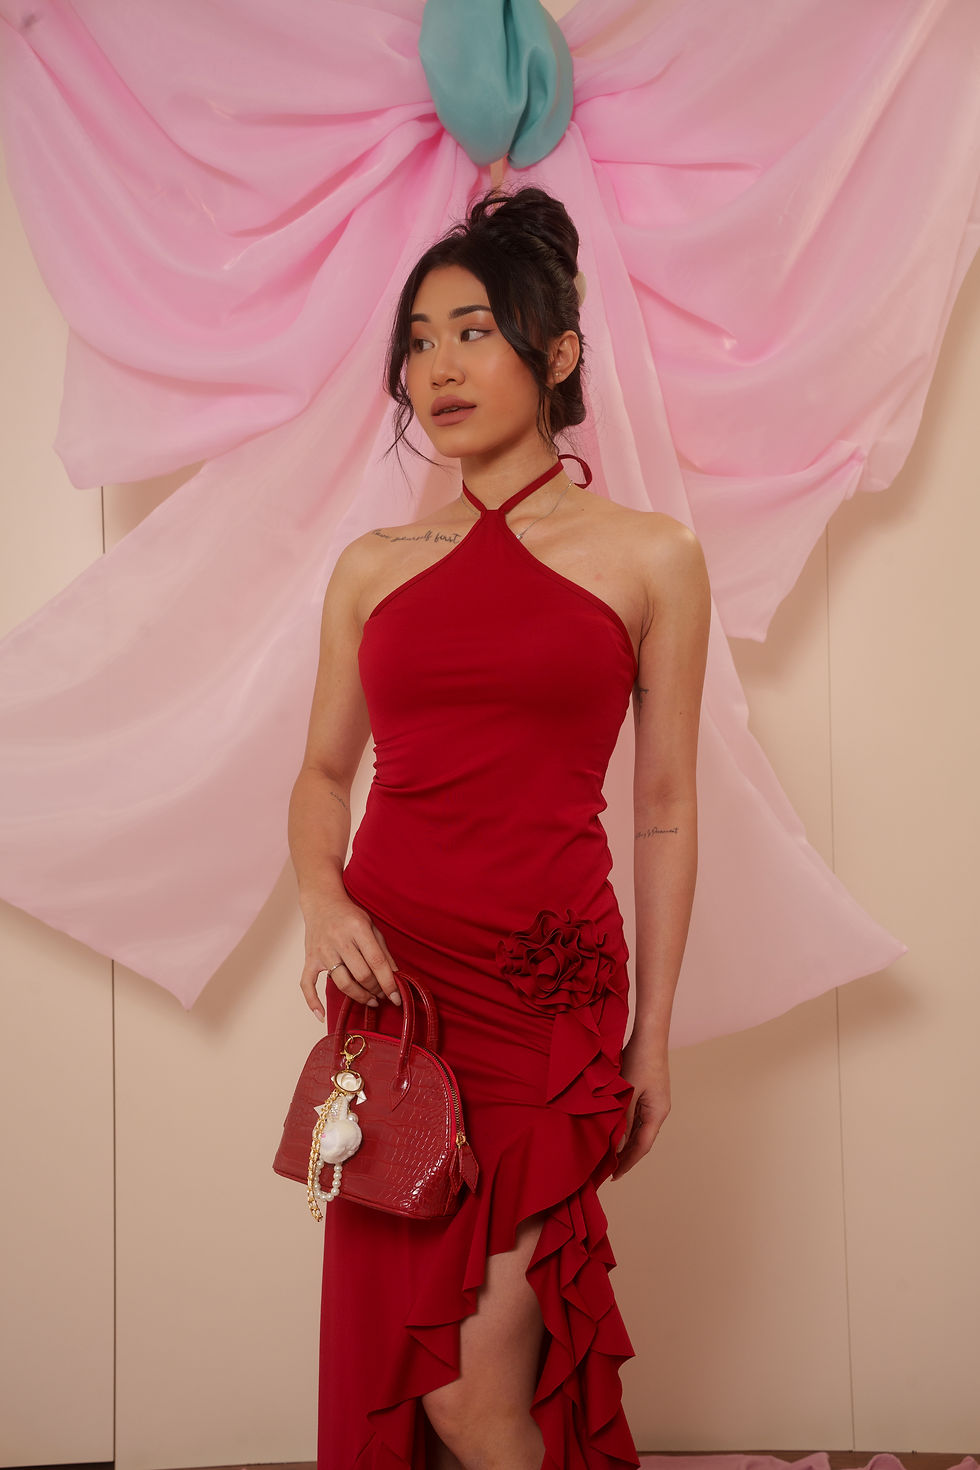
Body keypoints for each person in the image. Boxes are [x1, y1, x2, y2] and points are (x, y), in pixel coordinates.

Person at [287, 184, 711, 1470]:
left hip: (544, 995)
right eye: (419, 341)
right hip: (395, 990)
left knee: (472, 1392)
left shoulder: (652, 557)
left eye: (473, 331)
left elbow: (665, 810)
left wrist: (652, 1034)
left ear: (558, 352)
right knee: (416, 1373)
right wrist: (321, 896)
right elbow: (321, 774)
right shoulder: (371, 566)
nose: (439, 368)